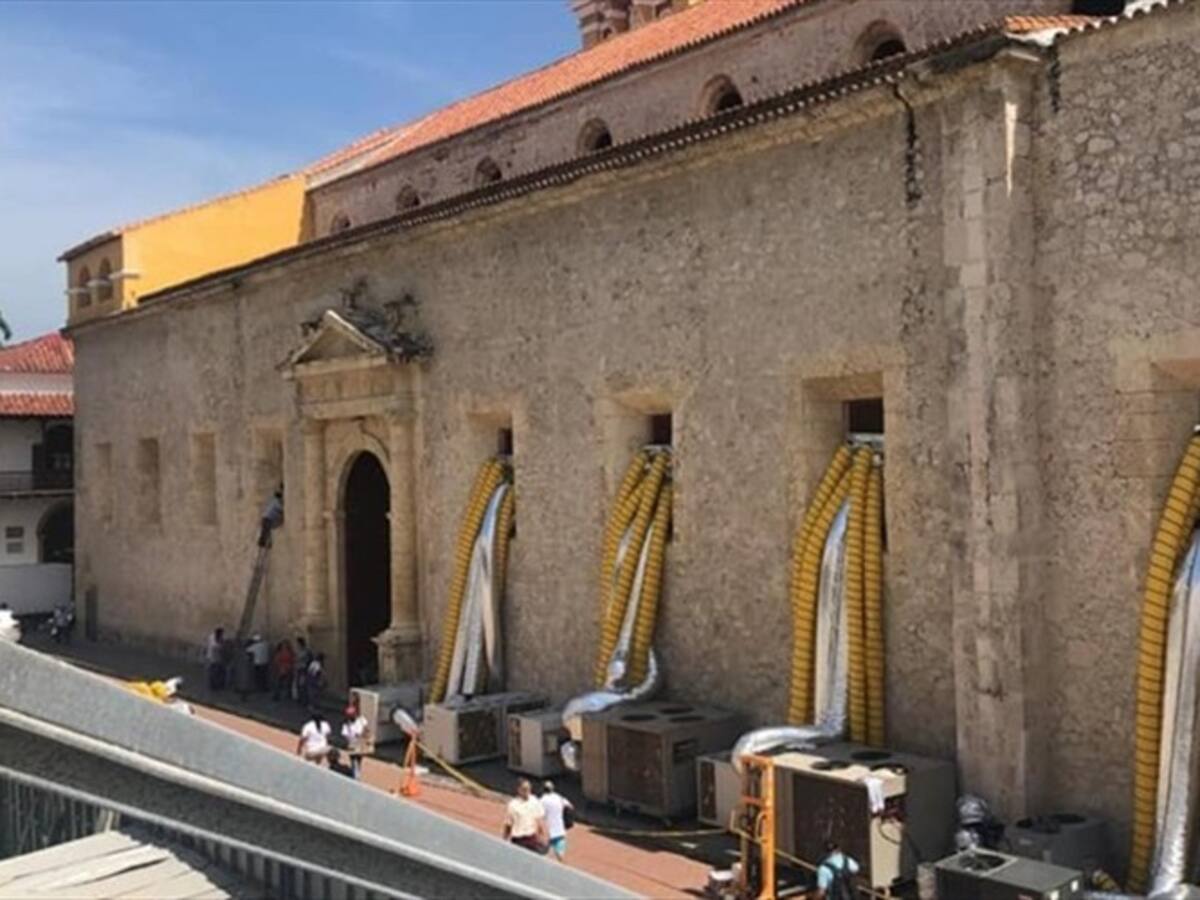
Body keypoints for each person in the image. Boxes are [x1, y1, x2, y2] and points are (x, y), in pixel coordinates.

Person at [502, 778, 547, 853]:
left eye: (529, 789)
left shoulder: (535, 801)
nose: (527, 791)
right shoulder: (513, 805)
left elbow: (540, 821)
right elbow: (508, 825)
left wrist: (543, 837)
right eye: (524, 789)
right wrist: (504, 841)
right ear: (519, 790)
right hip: (518, 841)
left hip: (531, 839)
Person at [539, 781, 574, 862]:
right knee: (560, 857)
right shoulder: (559, 798)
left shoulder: (542, 800)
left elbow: (539, 814)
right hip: (560, 831)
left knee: (544, 856)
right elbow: (570, 807)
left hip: (548, 833)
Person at [340, 697, 371, 780]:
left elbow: (366, 730)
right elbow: (345, 736)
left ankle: (356, 776)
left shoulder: (358, 721)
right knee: (355, 761)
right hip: (355, 745)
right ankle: (356, 775)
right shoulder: (349, 724)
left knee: (356, 761)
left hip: (357, 745)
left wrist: (362, 735)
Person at [204, 627, 226, 691]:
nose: (223, 635)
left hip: (215, 658)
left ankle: (215, 684)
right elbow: (215, 646)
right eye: (222, 633)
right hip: (213, 657)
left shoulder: (218, 638)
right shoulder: (213, 638)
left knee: (215, 672)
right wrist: (222, 646)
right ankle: (213, 685)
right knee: (213, 672)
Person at [295, 637, 313, 705]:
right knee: (299, 684)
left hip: (304, 669)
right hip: (299, 668)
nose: (297, 645)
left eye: (298, 643)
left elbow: (309, 659)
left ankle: (305, 700)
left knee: (303, 684)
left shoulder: (307, 651)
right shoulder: (298, 650)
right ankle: (300, 698)